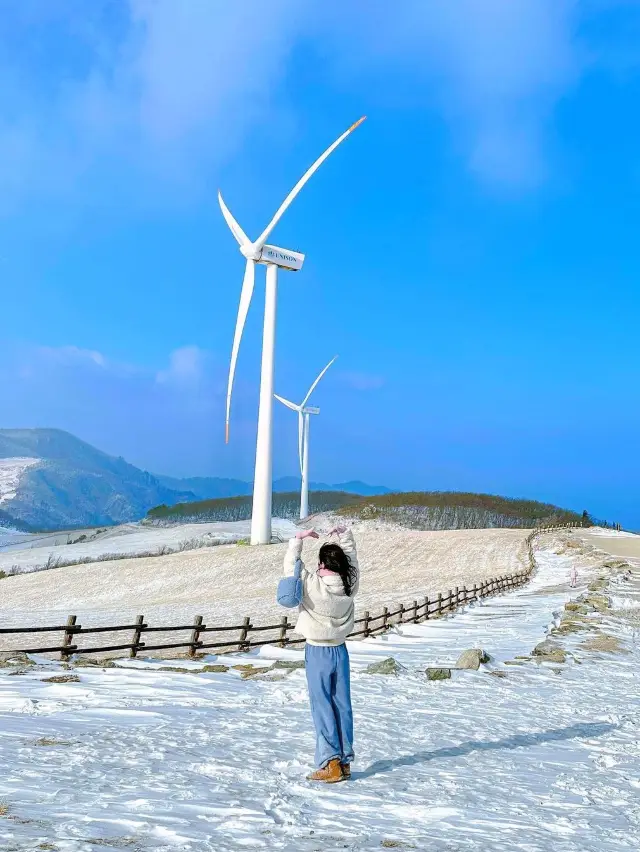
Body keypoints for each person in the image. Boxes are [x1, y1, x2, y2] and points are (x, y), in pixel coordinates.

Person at [280, 524, 359, 783]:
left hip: (318, 651)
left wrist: (297, 540)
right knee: (342, 705)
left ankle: (330, 762)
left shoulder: (314, 585)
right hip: (340, 650)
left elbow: (291, 568)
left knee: (322, 705)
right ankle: (345, 760)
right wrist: (345, 537)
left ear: (323, 564)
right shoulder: (350, 585)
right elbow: (352, 560)